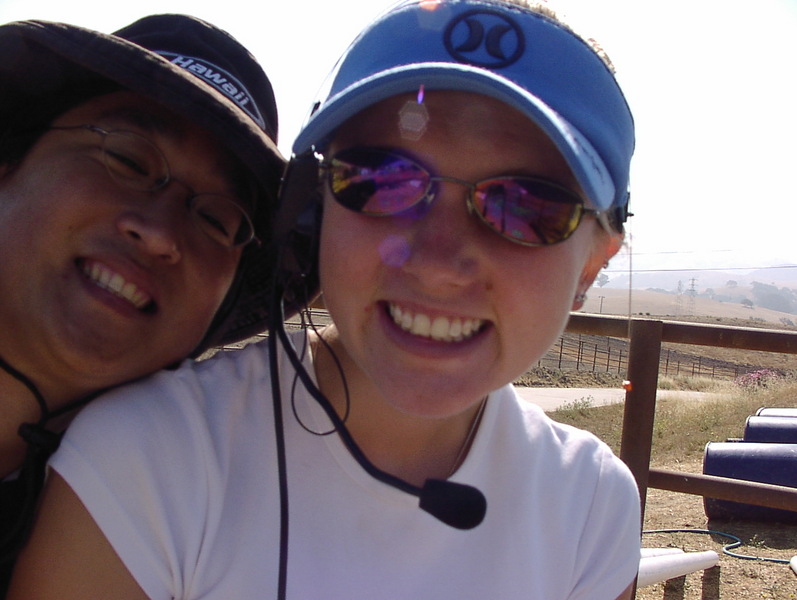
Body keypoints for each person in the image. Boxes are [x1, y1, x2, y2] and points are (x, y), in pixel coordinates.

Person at [10, 1, 641, 599]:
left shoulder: (590, 506)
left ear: (592, 263)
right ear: (315, 215)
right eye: (382, 179)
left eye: (526, 207)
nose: (438, 264)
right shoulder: (151, 456)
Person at [0, 13, 286, 593]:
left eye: (217, 219)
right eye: (129, 161)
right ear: (9, 164)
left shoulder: (185, 526)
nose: (159, 235)